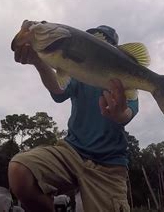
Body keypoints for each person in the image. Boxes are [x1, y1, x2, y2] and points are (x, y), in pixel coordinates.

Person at [8, 25, 138, 212]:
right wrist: (38, 62)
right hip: (72, 152)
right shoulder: (76, 72)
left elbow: (128, 113)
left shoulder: (125, 83)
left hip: (108, 166)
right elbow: (59, 91)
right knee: (20, 170)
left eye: (101, 44)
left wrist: (120, 114)